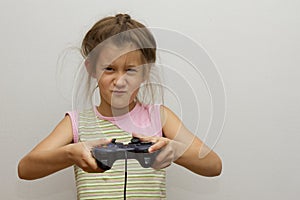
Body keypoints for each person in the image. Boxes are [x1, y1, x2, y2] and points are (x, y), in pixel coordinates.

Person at [18, 13, 222, 199]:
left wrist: (176, 150)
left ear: (145, 73)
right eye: (109, 69)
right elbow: (25, 168)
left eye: (131, 70)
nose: (120, 80)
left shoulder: (160, 117)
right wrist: (71, 153)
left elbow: (213, 165)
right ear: (91, 69)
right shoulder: (76, 123)